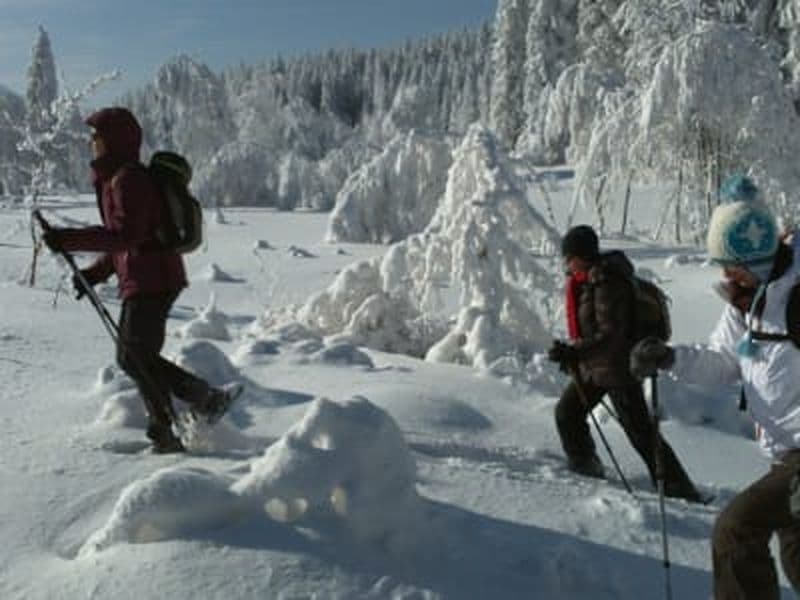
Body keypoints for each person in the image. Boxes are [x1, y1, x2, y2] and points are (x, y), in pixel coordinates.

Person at [631, 174, 800, 599]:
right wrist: (669, 358)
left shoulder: (794, 300)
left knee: (736, 530)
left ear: (756, 259)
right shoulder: (750, 303)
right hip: (784, 454)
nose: (725, 274)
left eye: (732, 266)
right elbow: (724, 361)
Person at [42, 107, 232, 453]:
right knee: (135, 356)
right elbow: (125, 242)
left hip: (155, 279)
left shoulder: (130, 180)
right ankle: (168, 426)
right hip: (143, 278)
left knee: (134, 356)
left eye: (97, 137)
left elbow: (126, 236)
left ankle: (202, 401)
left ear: (114, 139)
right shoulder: (115, 179)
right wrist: (95, 273)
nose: (92, 144)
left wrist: (68, 239)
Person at [547, 224, 702, 502]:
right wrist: (575, 354)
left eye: (569, 256)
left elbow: (611, 334)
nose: (566, 263)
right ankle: (585, 467)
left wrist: (575, 352)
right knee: (567, 414)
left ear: (583, 254)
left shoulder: (606, 281)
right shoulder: (588, 279)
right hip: (597, 367)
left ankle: (679, 489)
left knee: (640, 432)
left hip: (619, 369)